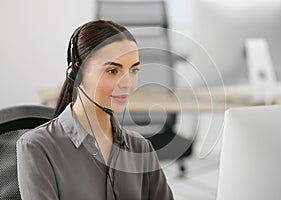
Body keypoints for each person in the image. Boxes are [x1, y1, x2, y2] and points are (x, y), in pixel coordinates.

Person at [17, 19, 174, 200]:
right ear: (77, 73)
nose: (127, 84)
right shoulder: (37, 147)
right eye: (113, 71)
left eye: (134, 70)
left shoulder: (141, 148)